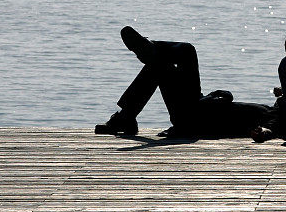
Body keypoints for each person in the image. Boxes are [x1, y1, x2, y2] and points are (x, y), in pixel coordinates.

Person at [94, 26, 273, 138]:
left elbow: (263, 132)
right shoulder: (273, 110)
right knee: (186, 50)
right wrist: (219, 96)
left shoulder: (276, 120)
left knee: (157, 65)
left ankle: (152, 51)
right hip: (198, 105)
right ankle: (152, 48)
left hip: (194, 119)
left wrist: (218, 99)